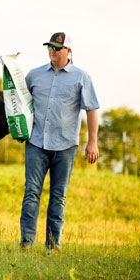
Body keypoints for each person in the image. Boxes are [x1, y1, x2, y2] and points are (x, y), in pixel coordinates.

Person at [20, 32, 99, 251]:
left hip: (65, 146)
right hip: (36, 143)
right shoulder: (34, 75)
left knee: (58, 195)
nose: (52, 51)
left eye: (57, 47)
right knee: (31, 192)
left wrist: (92, 142)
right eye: (50, 47)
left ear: (68, 51)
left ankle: (53, 244)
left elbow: (91, 109)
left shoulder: (82, 77)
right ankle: (26, 242)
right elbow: (21, 104)